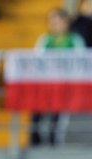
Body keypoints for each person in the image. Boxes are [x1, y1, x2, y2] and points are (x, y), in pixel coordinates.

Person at [31, 8, 86, 147]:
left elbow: (82, 61)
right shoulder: (45, 40)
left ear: (67, 22)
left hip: (66, 86)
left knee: (58, 112)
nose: (56, 24)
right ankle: (35, 139)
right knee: (37, 110)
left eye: (59, 21)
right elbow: (36, 60)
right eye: (52, 21)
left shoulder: (75, 40)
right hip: (46, 85)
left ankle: (54, 139)